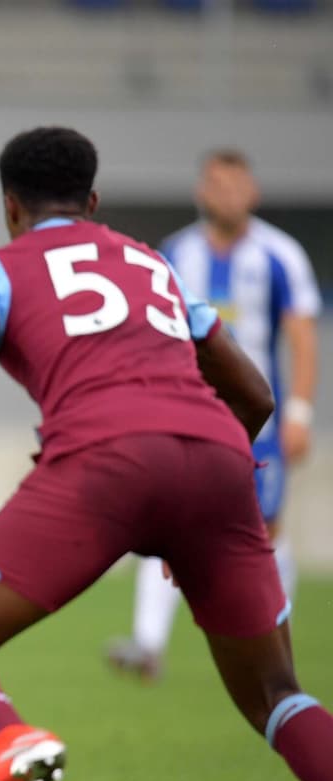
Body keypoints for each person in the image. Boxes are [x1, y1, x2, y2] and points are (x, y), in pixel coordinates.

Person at [0, 126, 333, 781]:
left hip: (104, 463)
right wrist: (194, 496)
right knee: (280, 694)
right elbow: (253, 394)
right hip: (218, 465)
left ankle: (9, 738)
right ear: (91, 202)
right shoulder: (155, 264)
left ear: (10, 208)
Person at [108, 148, 322, 682]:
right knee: (164, 521)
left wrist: (298, 411)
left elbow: (301, 336)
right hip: (185, 416)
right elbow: (147, 333)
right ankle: (148, 643)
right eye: (216, 185)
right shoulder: (176, 253)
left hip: (259, 419)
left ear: (253, 192)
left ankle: (276, 641)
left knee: (265, 528)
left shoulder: (281, 255)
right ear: (202, 191)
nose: (226, 195)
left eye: (236, 185)